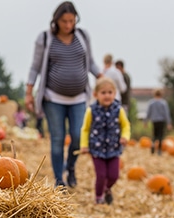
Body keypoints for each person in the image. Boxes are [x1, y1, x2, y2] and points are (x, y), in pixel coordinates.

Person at [25, 1, 102, 187]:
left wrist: (101, 77)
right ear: (56, 21)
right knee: (57, 139)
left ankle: (71, 168)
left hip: (79, 98)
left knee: (77, 136)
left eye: (71, 21)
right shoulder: (45, 39)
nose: (68, 25)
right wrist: (29, 92)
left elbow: (90, 62)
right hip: (53, 98)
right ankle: (59, 180)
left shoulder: (82, 36)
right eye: (64, 21)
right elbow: (35, 67)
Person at [79, 77, 130, 205]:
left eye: (110, 92)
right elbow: (85, 129)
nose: (107, 95)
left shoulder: (119, 110)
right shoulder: (91, 110)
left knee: (114, 175)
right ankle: (99, 196)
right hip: (97, 149)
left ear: (114, 93)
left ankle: (107, 188)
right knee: (101, 175)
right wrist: (84, 145)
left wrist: (125, 136)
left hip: (114, 148)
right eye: (103, 93)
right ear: (96, 94)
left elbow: (125, 125)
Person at [144, 88, 172, 155]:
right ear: (161, 94)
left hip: (154, 120)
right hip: (161, 121)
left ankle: (153, 144)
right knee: (160, 135)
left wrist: (145, 121)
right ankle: (159, 150)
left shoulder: (151, 103)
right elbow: (166, 113)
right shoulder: (163, 103)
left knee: (154, 134)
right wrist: (169, 123)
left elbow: (148, 113)